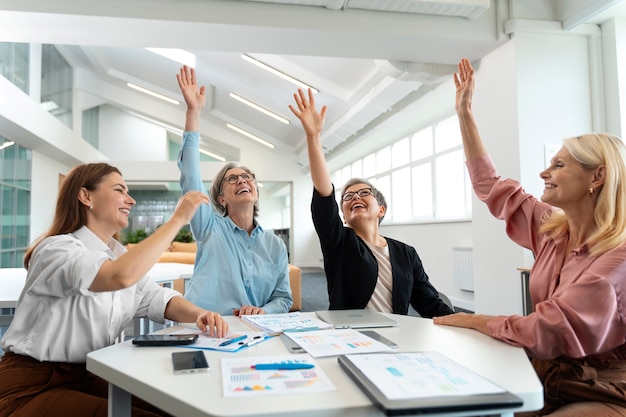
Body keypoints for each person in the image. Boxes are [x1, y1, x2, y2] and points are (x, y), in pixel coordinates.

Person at [433, 58, 626, 416]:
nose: (544, 171)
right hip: (551, 376)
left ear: (597, 177)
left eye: (559, 165)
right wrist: (464, 113)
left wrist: (474, 320)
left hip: (606, 389)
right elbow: (490, 186)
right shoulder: (554, 229)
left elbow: (550, 329)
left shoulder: (618, 257)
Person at [0, 162, 228, 417]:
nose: (130, 200)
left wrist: (199, 315)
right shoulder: (57, 250)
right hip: (31, 386)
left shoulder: (117, 255)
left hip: (88, 373)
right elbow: (119, 276)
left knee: (179, 409)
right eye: (120, 190)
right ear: (86, 196)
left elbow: (157, 297)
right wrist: (178, 220)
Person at [289, 88, 454, 317]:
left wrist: (471, 324)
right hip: (348, 337)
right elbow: (325, 196)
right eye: (347, 196)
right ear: (344, 217)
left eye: (364, 193)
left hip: (394, 338)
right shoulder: (339, 243)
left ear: (381, 209)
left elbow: (430, 303)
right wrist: (313, 137)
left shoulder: (406, 253)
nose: (355, 196)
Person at [176, 65, 292, 316]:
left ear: (256, 192)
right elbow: (191, 177)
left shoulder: (275, 245)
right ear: (221, 198)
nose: (242, 181)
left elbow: (283, 298)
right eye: (232, 179)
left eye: (247, 177)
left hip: (253, 330)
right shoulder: (208, 227)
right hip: (204, 327)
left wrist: (265, 312)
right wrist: (193, 113)